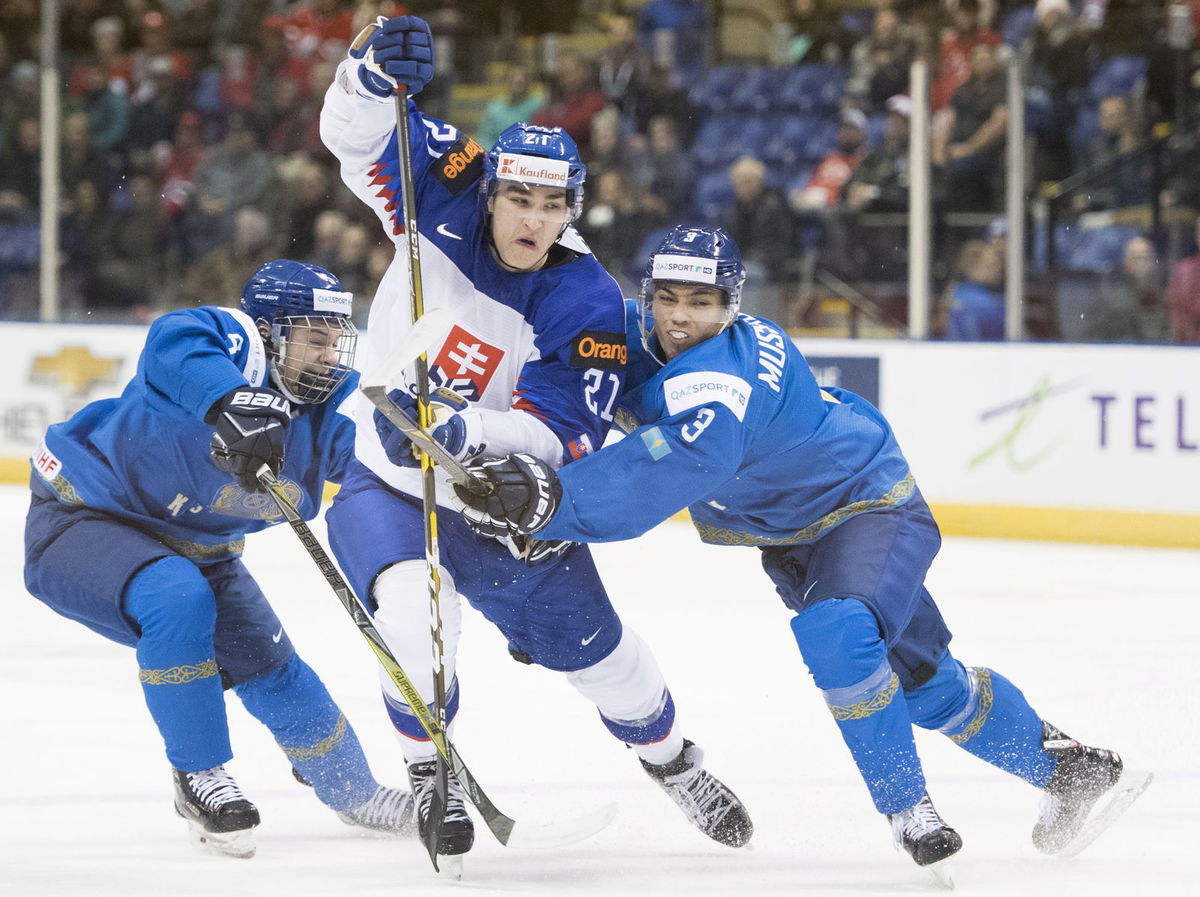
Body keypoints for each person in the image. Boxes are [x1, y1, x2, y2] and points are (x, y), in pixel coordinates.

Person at [455, 225, 1148, 878]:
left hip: (867, 505)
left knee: (838, 634)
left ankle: (909, 811)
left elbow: (659, 469)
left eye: (700, 302)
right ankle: (1072, 771)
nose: (679, 317)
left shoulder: (722, 385)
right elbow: (573, 387)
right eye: (666, 297)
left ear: (732, 304)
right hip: (794, 534)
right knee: (924, 683)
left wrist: (551, 502)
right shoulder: (633, 333)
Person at [319, 14, 752, 861]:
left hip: (495, 501)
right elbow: (352, 136)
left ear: (571, 210)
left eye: (553, 205)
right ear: (491, 191)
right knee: (412, 620)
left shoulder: (585, 300)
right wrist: (365, 72)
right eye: (519, 198)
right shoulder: (443, 183)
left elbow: (557, 437)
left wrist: (461, 429)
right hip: (389, 482)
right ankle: (429, 770)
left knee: (605, 660)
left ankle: (674, 761)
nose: (533, 220)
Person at [23, 260, 416, 859]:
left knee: (275, 668)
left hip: (205, 553)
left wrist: (427, 443)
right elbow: (174, 338)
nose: (328, 357)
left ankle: (356, 793)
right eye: (314, 339)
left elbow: (380, 456)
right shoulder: (233, 347)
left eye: (336, 341)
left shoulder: (333, 407)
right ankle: (199, 774)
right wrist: (235, 402)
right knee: (177, 598)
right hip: (82, 520)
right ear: (269, 333)